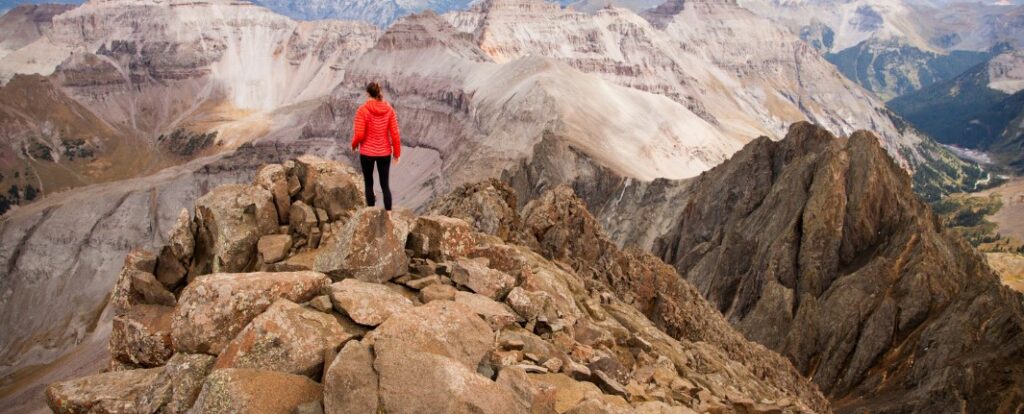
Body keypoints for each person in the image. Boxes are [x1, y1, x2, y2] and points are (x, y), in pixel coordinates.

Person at [351, 81, 401, 211]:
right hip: (384, 153)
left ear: (367, 94)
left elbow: (360, 134)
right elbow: (395, 133)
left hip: (367, 153)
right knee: (385, 186)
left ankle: (371, 213)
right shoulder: (389, 109)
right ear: (379, 92)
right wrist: (396, 154)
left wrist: (354, 145)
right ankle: (389, 215)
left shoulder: (362, 110)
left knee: (369, 183)